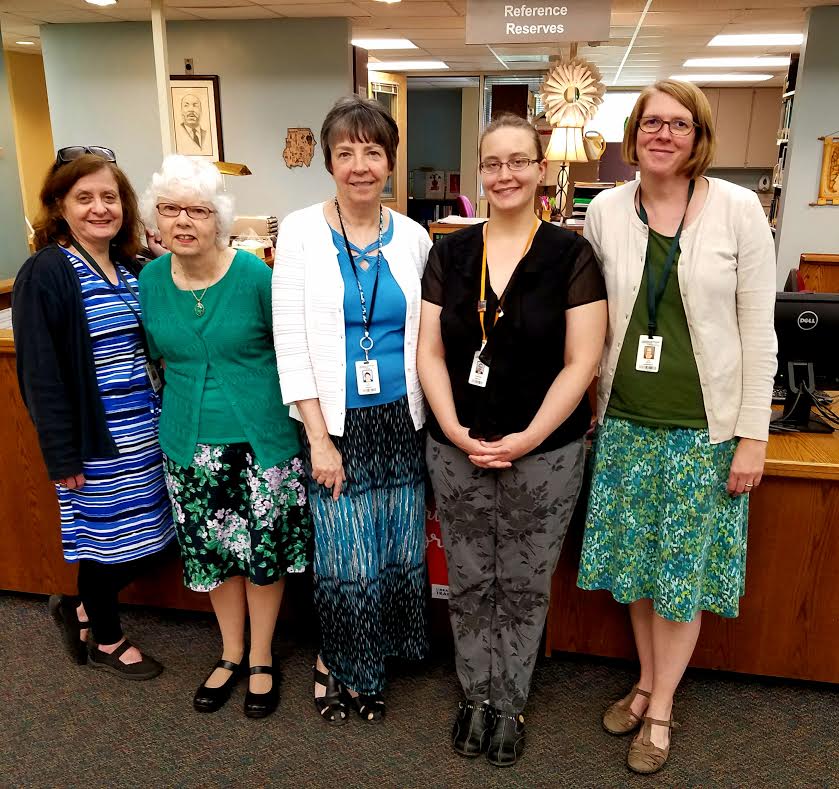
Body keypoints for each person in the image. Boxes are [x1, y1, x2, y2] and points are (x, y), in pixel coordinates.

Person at [576, 80, 777, 774]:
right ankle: (644, 681)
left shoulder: (737, 209)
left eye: (678, 124)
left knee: (678, 579)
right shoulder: (603, 210)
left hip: (703, 429)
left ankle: (658, 709)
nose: (662, 134)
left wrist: (753, 434)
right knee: (635, 571)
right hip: (625, 423)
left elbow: (758, 330)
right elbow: (590, 316)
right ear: (632, 133)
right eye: (650, 122)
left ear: (698, 136)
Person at [417, 113, 608, 767]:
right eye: (493, 162)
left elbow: (582, 361)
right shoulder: (449, 253)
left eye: (518, 161)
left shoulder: (570, 254)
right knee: (469, 577)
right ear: (482, 171)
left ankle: (510, 700)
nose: (505, 174)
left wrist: (526, 436)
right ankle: (474, 693)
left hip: (545, 453)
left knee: (524, 582)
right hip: (457, 446)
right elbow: (429, 353)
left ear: (542, 169)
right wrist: (449, 426)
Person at [273, 95, 431, 726]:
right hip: (335, 424)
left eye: (373, 151)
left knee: (394, 549)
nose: (360, 165)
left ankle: (379, 656)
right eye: (346, 152)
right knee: (344, 556)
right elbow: (291, 343)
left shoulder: (415, 238)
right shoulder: (303, 233)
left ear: (390, 160)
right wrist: (317, 438)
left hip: (401, 418)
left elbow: (427, 337)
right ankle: (342, 663)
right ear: (329, 162)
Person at [138, 154, 311, 719]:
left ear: (219, 219)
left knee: (263, 554)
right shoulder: (150, 281)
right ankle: (230, 652)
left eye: (198, 210)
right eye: (170, 210)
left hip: (262, 439)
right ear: (154, 221)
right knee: (216, 556)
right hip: (189, 444)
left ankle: (261, 656)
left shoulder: (255, 275)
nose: (183, 221)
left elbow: (291, 353)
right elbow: (158, 356)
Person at [12, 147, 175, 680]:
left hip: (145, 430)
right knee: (107, 546)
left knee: (152, 540)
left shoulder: (130, 268)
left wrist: (162, 254)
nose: (99, 208)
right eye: (84, 198)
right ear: (60, 204)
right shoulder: (47, 271)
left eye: (110, 197)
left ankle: (79, 606)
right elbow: (39, 374)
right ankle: (105, 638)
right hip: (94, 440)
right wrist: (61, 456)